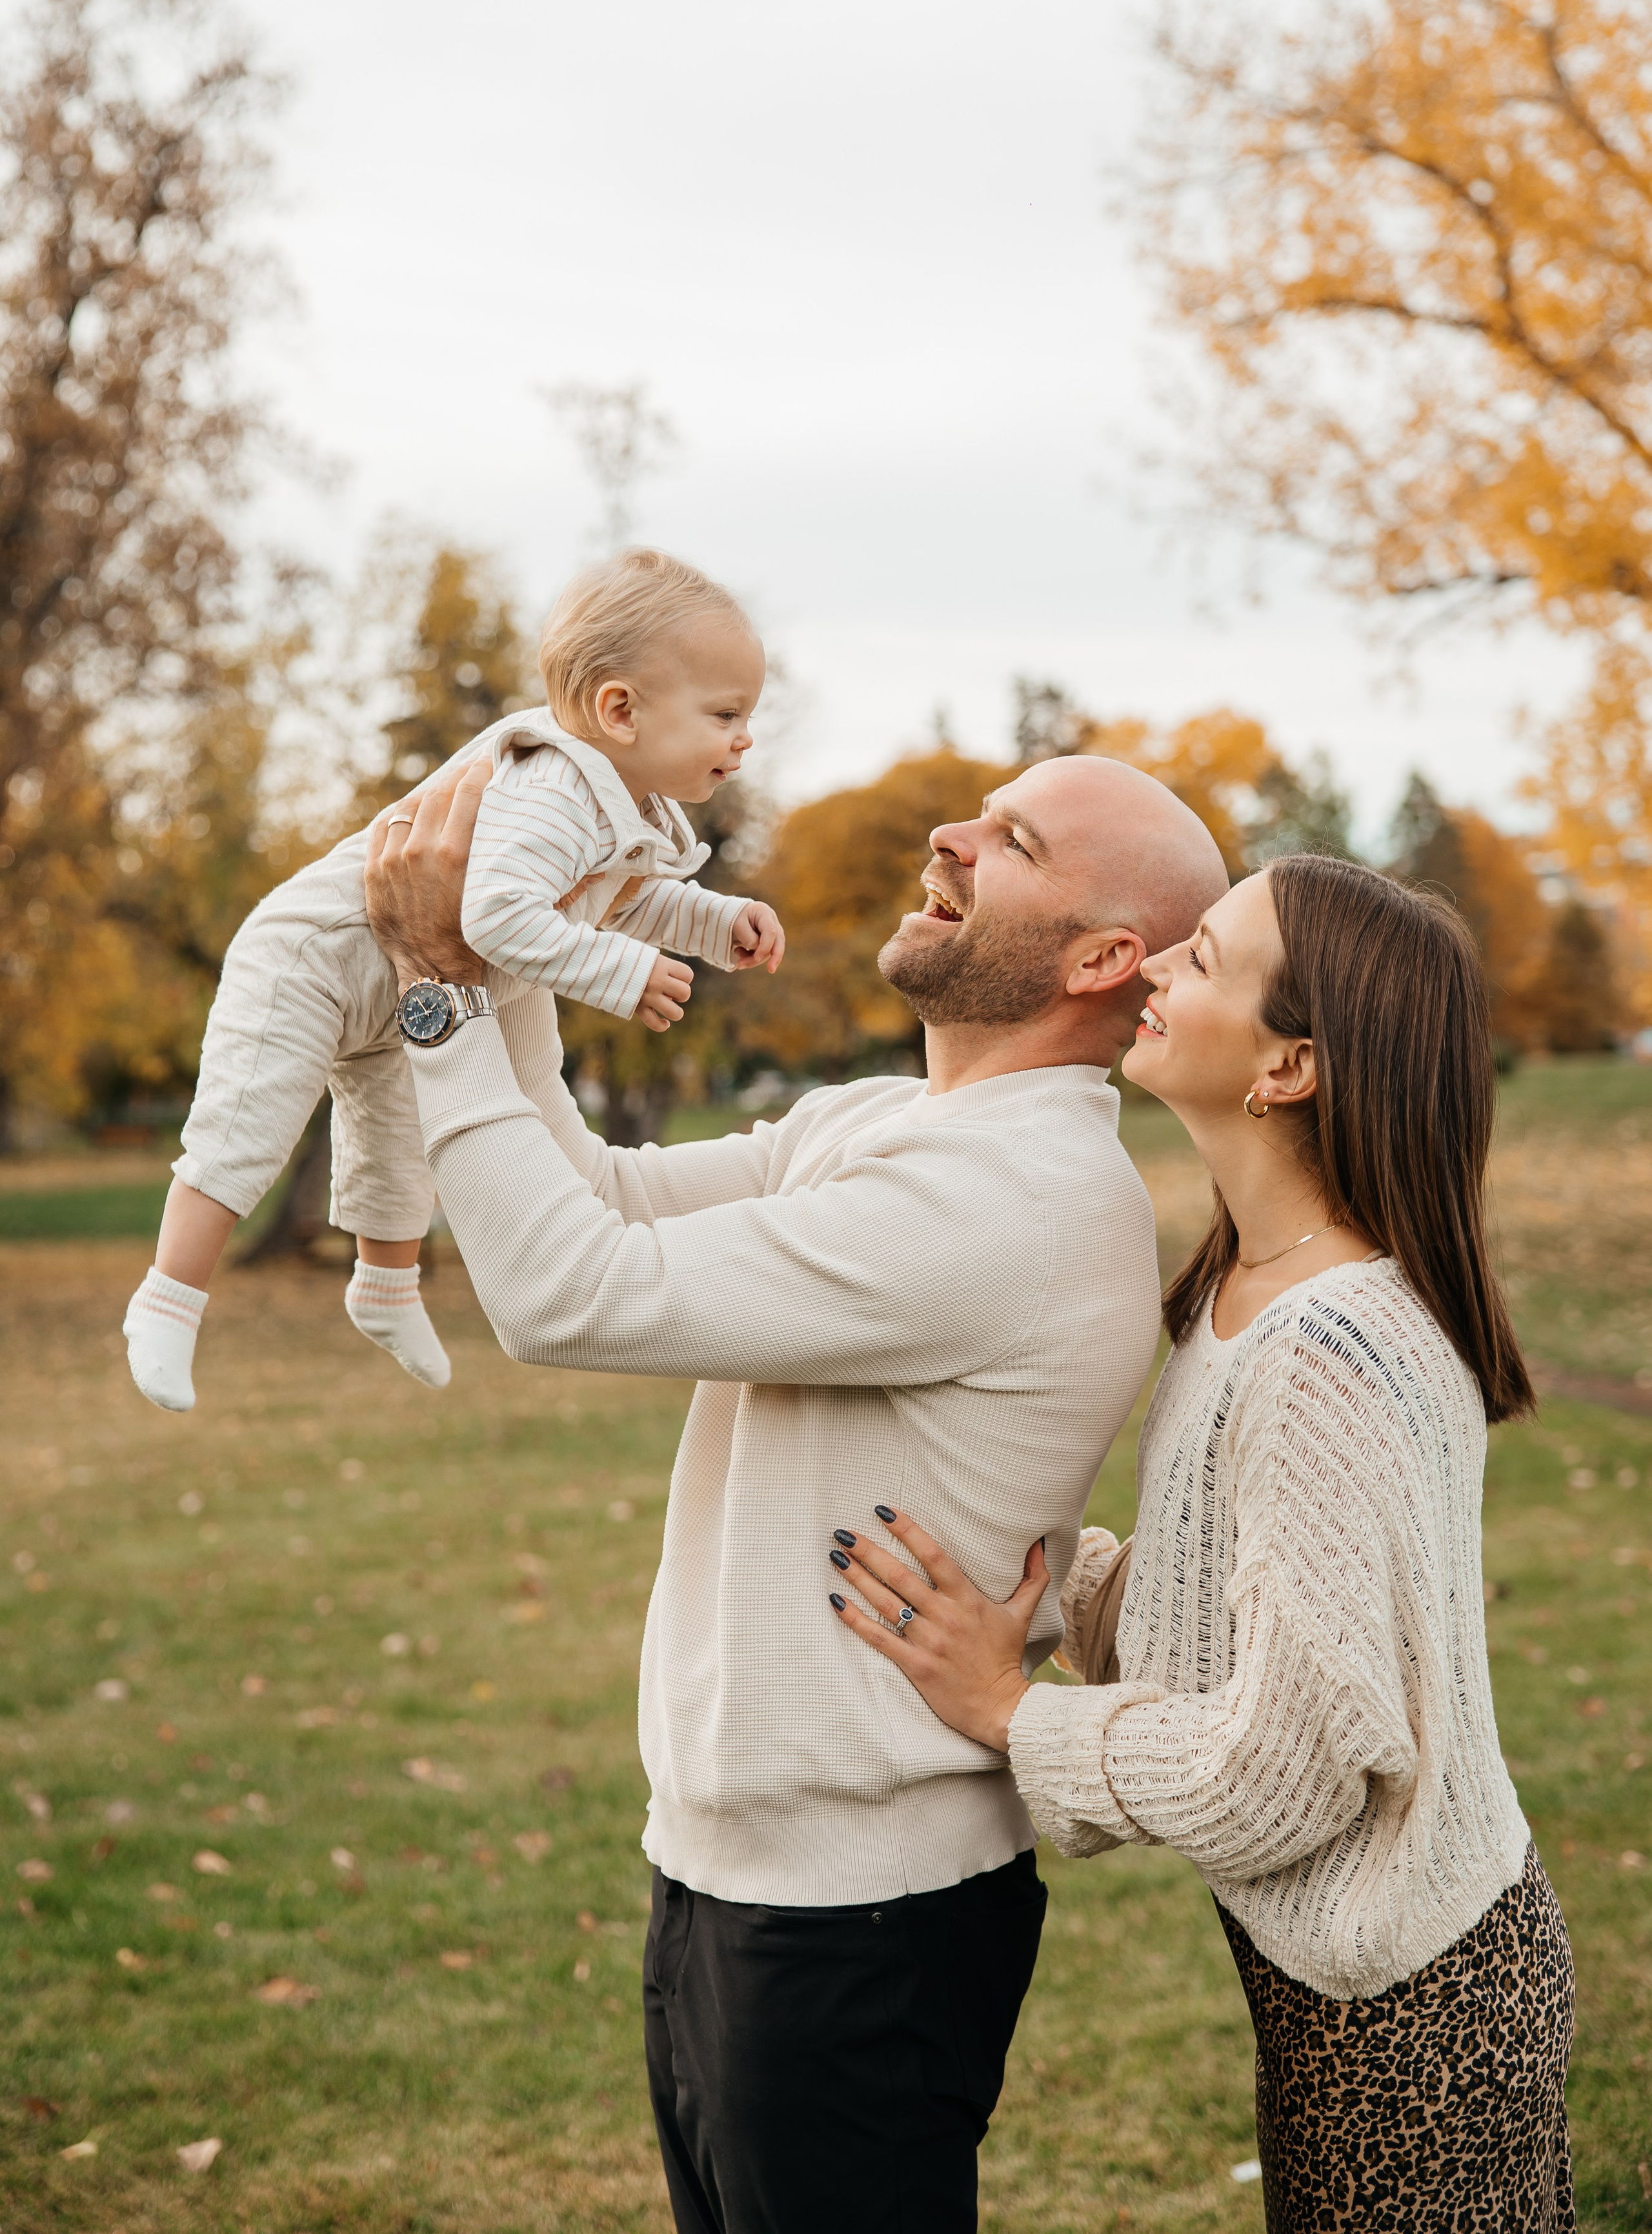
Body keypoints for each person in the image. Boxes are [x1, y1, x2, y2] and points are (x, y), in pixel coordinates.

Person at [360, 751, 1231, 2234]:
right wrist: (504, 951)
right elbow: (606, 1197)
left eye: (1010, 840)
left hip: (855, 1927)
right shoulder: (885, 1124)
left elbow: (566, 1295)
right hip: (721, 1880)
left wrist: (438, 993)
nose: (949, 834)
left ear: (1100, 959)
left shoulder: (1008, 1201)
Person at [829, 854, 1575, 2233]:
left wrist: (1013, 1713)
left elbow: (1285, 1774)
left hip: (1416, 2018)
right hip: (1355, 1986)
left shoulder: (1321, 1353)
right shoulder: (1244, 1284)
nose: (1159, 965)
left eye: (1205, 960)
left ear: (1287, 1067)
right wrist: (1045, 1570)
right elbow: (1236, 1607)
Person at [121, 548, 783, 1413]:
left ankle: (385, 1292)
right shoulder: (553, 787)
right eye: (726, 713)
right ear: (620, 710)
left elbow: (622, 900)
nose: (745, 737)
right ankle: (168, 1298)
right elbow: (496, 916)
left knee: (398, 1144)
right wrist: (621, 976)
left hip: (399, 981)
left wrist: (717, 925)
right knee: (248, 1128)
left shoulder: (628, 806)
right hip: (314, 959)